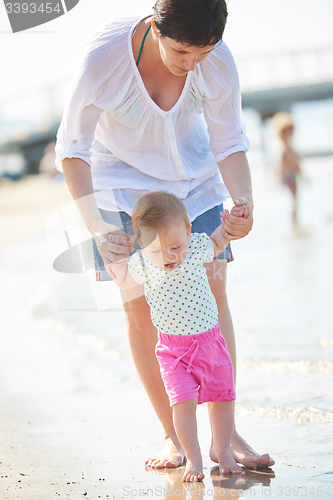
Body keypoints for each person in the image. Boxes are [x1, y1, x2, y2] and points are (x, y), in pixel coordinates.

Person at [55, 0, 274, 469]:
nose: (191, 64)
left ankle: (225, 435)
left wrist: (244, 202)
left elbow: (229, 141)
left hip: (195, 184)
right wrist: (95, 227)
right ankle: (174, 437)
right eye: (180, 51)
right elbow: (72, 149)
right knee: (141, 311)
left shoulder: (217, 61)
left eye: (203, 53)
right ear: (155, 27)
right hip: (122, 192)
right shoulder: (105, 60)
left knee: (213, 297)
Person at [109, 191, 244, 482]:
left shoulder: (195, 247)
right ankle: (193, 458)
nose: (168, 256)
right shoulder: (143, 263)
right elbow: (123, 279)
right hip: (173, 352)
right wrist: (116, 261)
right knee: (182, 404)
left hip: (211, 343)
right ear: (142, 244)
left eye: (174, 247)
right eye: (157, 250)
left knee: (223, 397)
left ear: (188, 231)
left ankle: (223, 450)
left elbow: (219, 240)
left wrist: (230, 223)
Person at [273, 112, 302, 225]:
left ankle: (295, 219)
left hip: (291, 176)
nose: (293, 133)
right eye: (291, 131)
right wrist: (280, 179)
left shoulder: (287, 146)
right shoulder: (285, 148)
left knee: (295, 199)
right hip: (290, 176)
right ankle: (294, 220)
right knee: (294, 199)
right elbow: (282, 165)